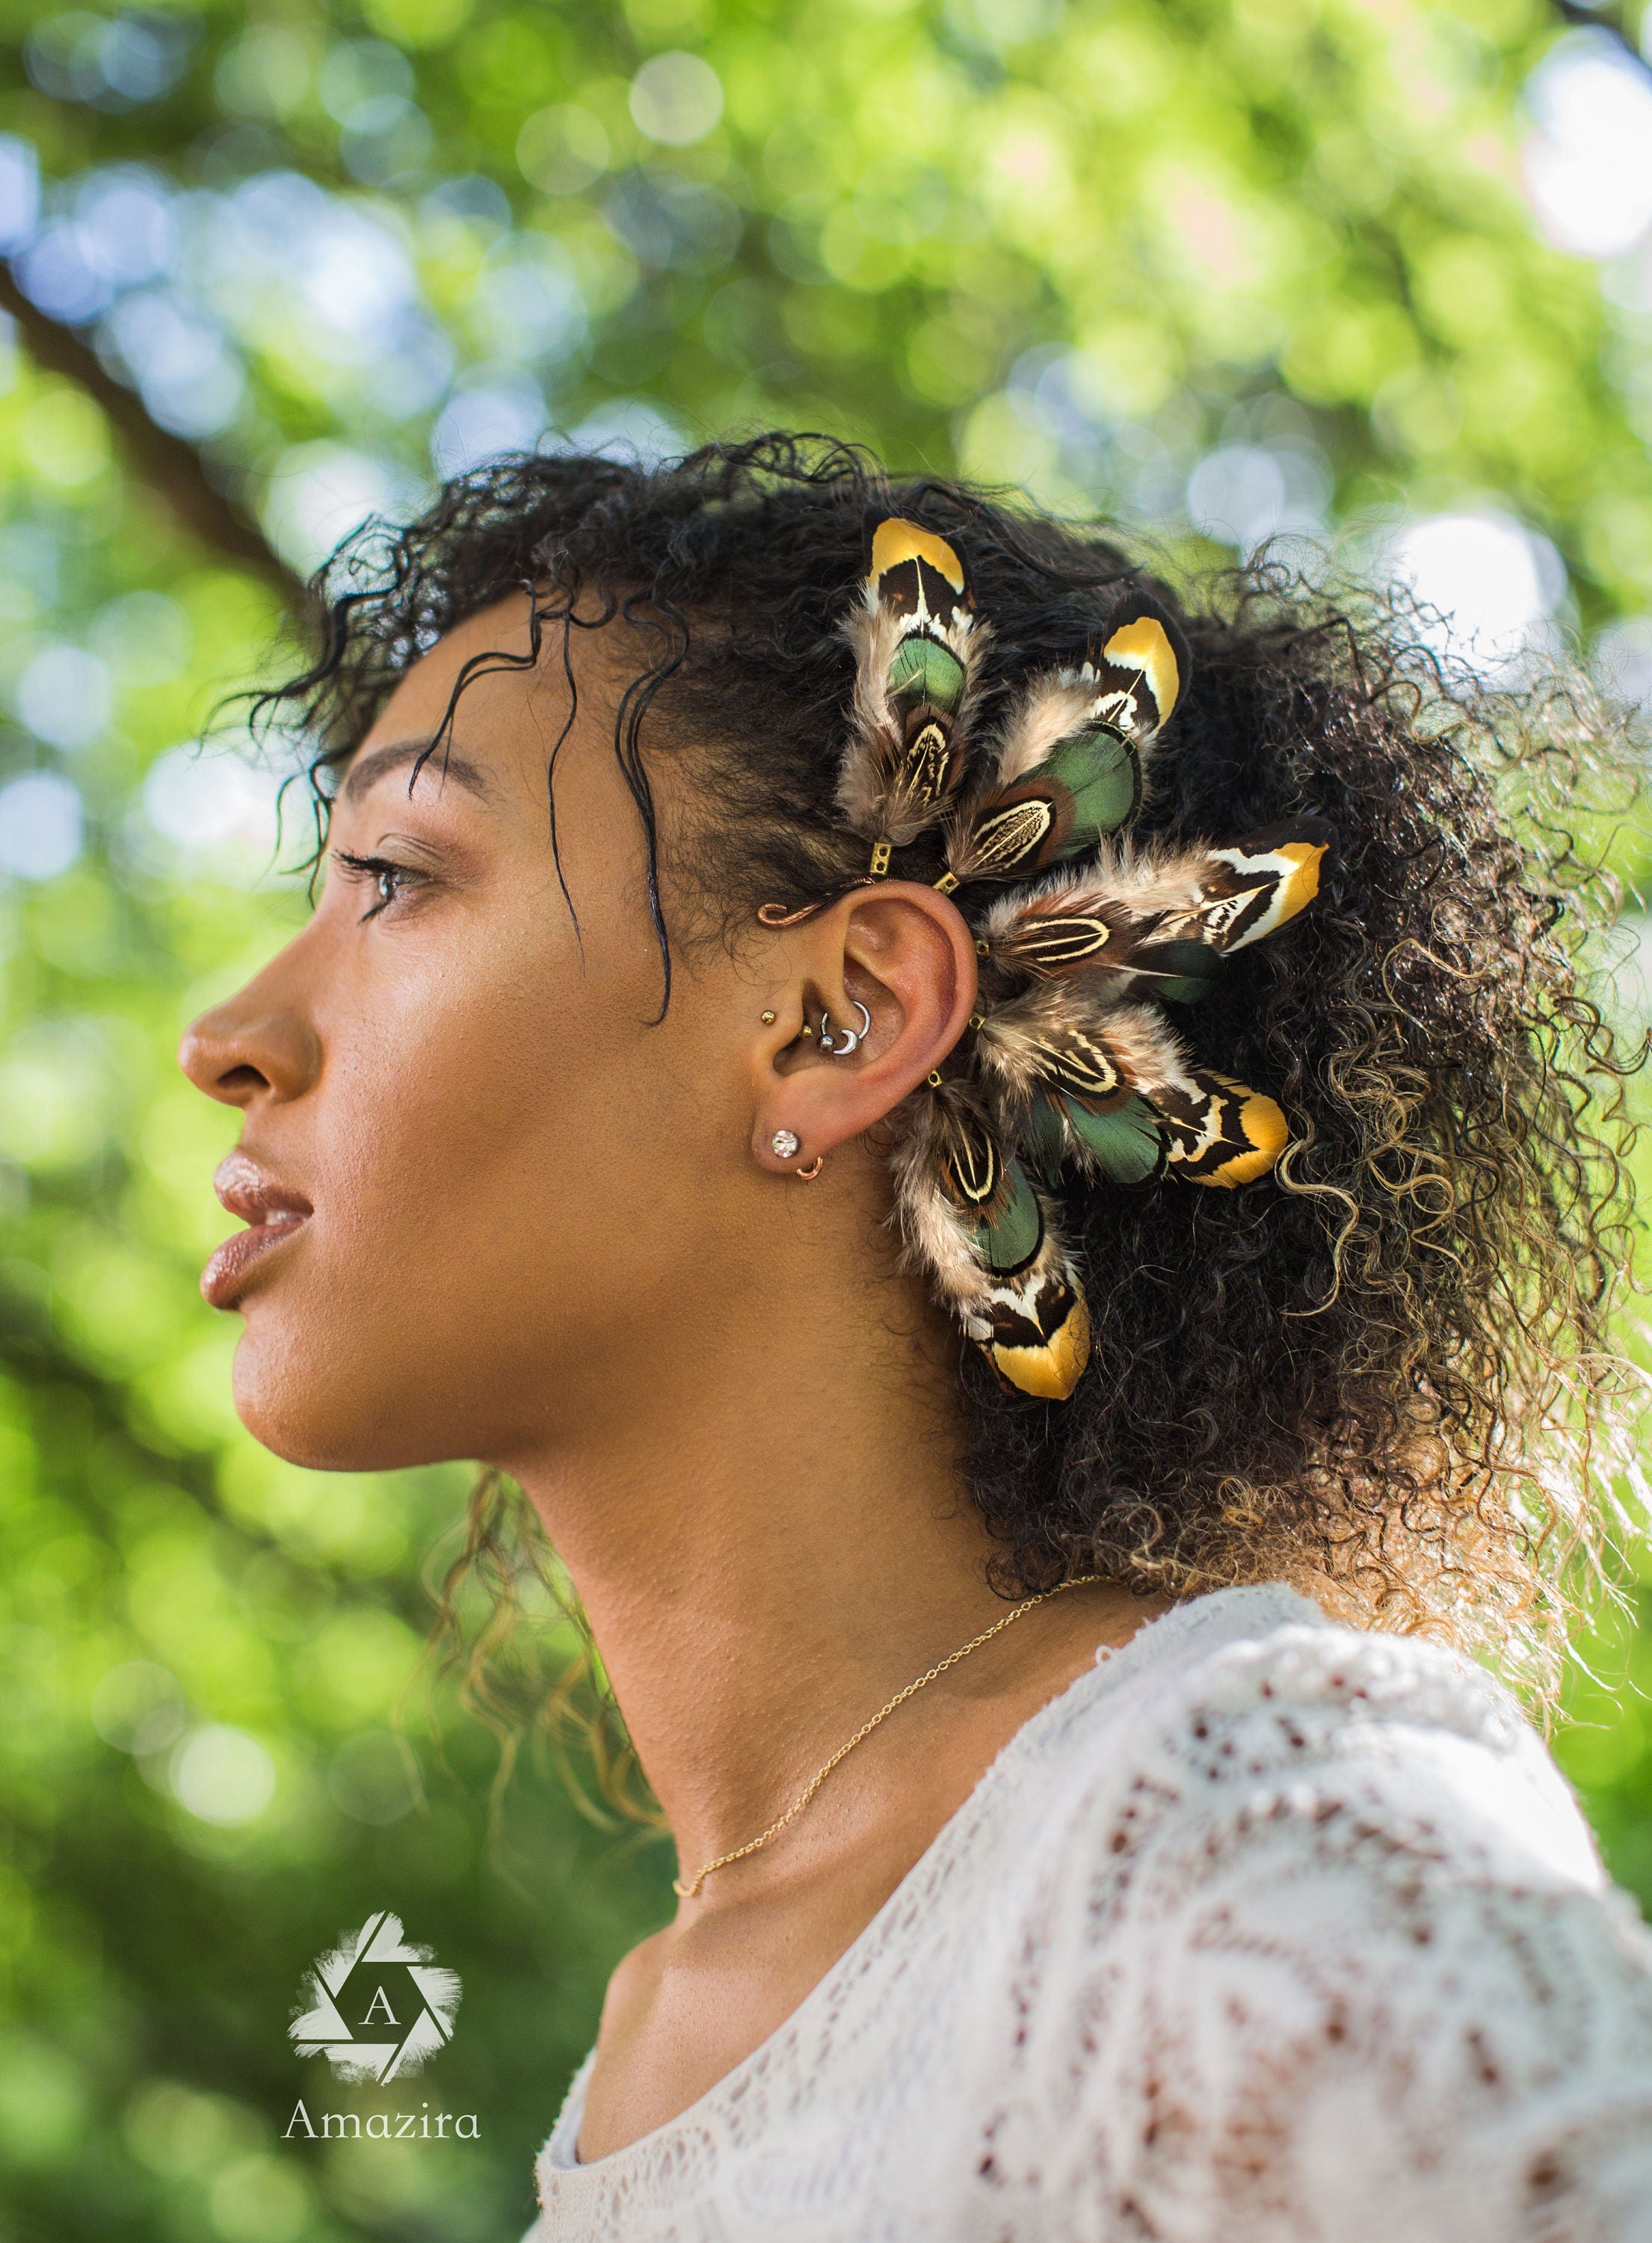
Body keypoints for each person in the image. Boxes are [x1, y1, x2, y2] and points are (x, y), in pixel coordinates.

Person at [180, 436, 1652, 2239]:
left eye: (396, 876)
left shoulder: (1243, 1833)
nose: (227, 1036)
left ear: (843, 1016)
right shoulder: (657, 2043)